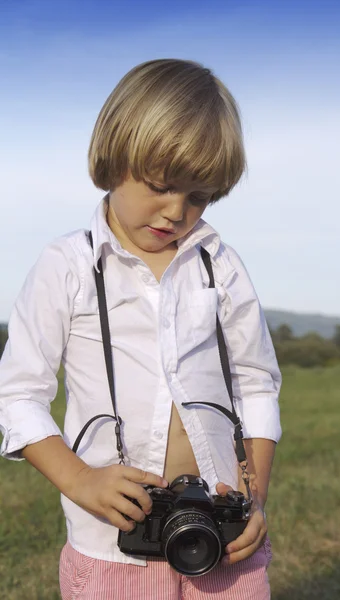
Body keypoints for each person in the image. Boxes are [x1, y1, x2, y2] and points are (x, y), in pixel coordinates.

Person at [0, 59, 282, 599]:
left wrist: (256, 498)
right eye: (161, 185)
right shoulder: (68, 265)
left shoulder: (219, 265)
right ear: (114, 159)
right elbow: (19, 394)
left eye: (198, 196)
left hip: (218, 534)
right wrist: (81, 481)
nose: (176, 211)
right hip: (112, 545)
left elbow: (255, 382)